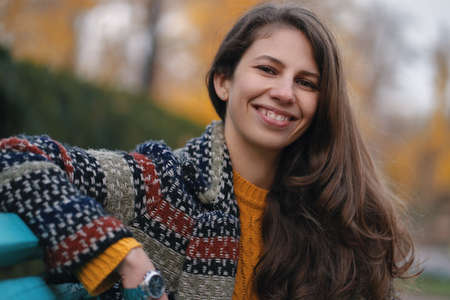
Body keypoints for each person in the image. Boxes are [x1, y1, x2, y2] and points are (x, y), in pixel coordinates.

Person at [0, 2, 417, 300]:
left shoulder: (336, 213)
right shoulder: (164, 184)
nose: (285, 93)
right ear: (224, 82)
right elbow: (14, 158)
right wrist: (120, 255)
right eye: (267, 69)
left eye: (306, 82)